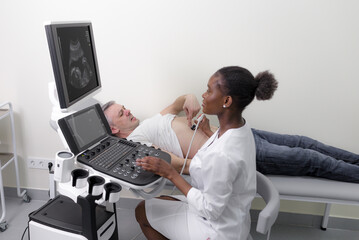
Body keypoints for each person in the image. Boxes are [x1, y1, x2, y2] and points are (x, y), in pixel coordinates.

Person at [132, 66, 278, 240]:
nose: (204, 95)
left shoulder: (223, 154)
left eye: (209, 91)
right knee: (161, 201)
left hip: (215, 231)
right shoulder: (239, 129)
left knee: (142, 211)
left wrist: (170, 173)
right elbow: (215, 162)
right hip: (234, 220)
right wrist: (209, 132)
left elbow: (210, 209)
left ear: (227, 101)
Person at [102, 94, 359, 184]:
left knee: (304, 142)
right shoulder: (134, 142)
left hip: (237, 133)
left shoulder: (149, 122)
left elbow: (179, 102)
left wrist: (189, 99)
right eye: (121, 113)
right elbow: (169, 162)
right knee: (309, 158)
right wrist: (204, 165)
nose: (128, 110)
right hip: (231, 151)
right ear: (114, 129)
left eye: (125, 107)